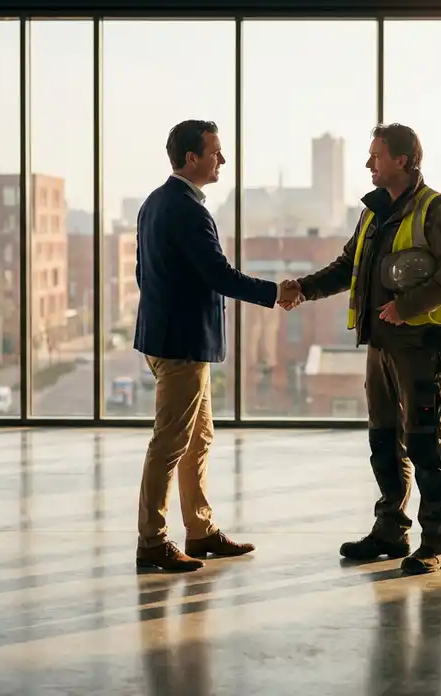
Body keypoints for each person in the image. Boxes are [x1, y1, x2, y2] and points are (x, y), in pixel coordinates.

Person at [283, 123, 441, 574]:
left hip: (422, 342)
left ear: (402, 160)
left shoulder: (435, 208)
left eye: (377, 155)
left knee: (424, 441)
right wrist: (302, 289)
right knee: (384, 441)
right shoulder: (373, 213)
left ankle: (438, 541)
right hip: (382, 343)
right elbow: (347, 266)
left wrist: (407, 307)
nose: (369, 163)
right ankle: (391, 530)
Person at [134, 119, 296, 572]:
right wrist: (275, 293)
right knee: (170, 443)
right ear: (192, 158)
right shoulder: (188, 210)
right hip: (181, 346)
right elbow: (219, 275)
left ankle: (200, 531)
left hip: (168, 340)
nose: (222, 159)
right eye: (215, 152)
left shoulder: (153, 203)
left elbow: (143, 274)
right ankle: (152, 541)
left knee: (197, 438)